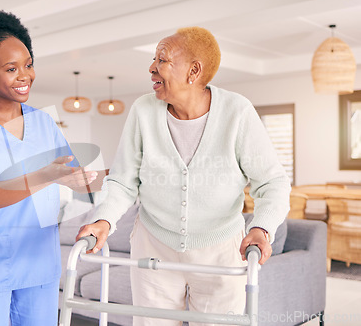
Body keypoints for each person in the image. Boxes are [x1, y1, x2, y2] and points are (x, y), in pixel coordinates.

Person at [77, 26, 291, 325]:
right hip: (153, 246)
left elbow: (273, 184)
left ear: (193, 71)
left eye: (162, 60)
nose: (152, 67)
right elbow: (123, 181)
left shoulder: (237, 112)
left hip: (221, 251)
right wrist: (104, 219)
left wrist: (261, 228)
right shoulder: (143, 111)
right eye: (154, 59)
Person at [0, 9, 97, 326]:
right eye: (11, 68)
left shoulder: (43, 121)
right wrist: (47, 175)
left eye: (28, 64)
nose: (25, 75)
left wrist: (91, 179)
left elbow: (77, 178)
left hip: (39, 258)